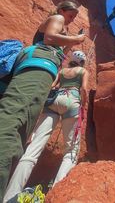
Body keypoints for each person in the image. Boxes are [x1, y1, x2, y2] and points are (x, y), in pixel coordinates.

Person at [0, 0, 86, 202]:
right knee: (15, 122)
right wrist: (76, 37)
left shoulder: (62, 40)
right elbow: (49, 38)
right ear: (63, 10)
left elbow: (58, 51)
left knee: (23, 132)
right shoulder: (56, 17)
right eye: (71, 15)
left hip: (46, 73)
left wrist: (69, 43)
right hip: (39, 66)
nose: (71, 19)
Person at [4, 50, 89, 202]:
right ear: (82, 62)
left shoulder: (63, 71)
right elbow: (83, 88)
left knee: (33, 149)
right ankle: (57, 194)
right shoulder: (83, 71)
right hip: (72, 101)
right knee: (71, 151)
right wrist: (84, 101)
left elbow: (53, 85)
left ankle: (10, 195)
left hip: (55, 101)